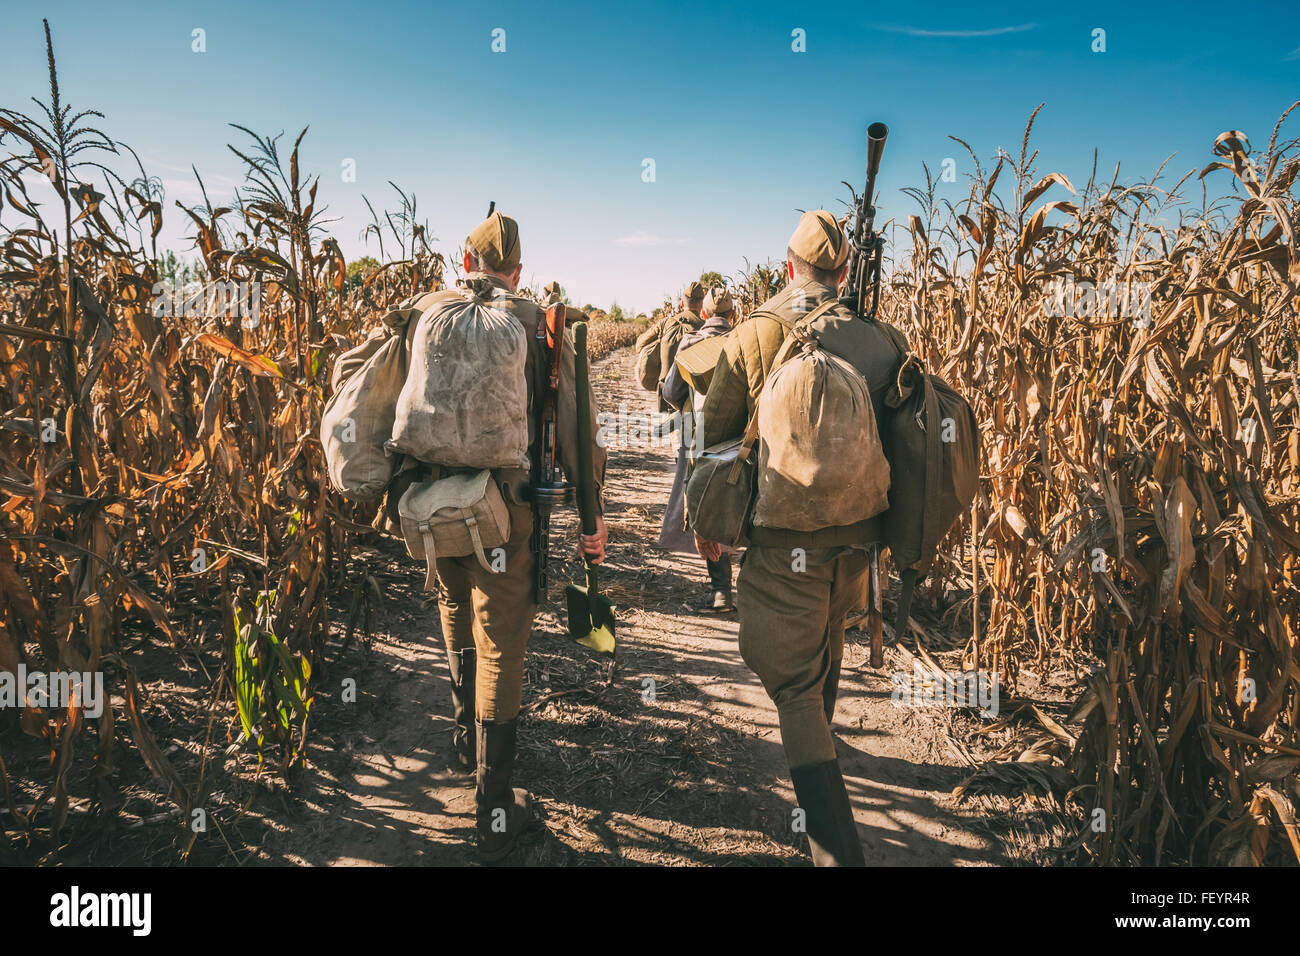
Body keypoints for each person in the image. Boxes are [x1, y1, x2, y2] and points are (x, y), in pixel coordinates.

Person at [393, 212, 609, 861]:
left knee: (454, 609)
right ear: (517, 270)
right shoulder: (537, 323)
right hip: (507, 510)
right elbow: (577, 424)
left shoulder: (425, 311)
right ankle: (494, 810)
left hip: (429, 501)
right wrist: (591, 518)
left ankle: (466, 739)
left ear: (466, 260)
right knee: (501, 644)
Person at [693, 210, 904, 866]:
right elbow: (902, 440)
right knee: (826, 649)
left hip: (784, 540)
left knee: (792, 687)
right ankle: (829, 777)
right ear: (844, 273)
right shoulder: (880, 337)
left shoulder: (756, 333)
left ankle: (836, 852)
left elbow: (716, 433)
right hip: (862, 542)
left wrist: (711, 524)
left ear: (788, 267)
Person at [659, 285, 739, 612]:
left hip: (699, 437)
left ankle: (721, 591)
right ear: (733, 315)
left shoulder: (690, 343)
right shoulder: (743, 342)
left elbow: (670, 391)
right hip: (740, 438)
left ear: (703, 314)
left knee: (703, 505)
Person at [654, 280, 705, 411]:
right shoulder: (705, 328)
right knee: (686, 430)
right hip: (687, 396)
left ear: (682, 303)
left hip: (664, 389)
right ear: (702, 304)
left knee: (662, 428)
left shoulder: (666, 322)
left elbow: (640, 344)